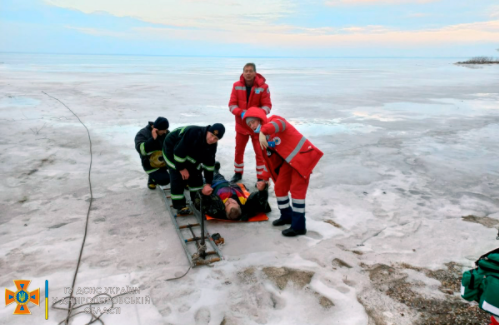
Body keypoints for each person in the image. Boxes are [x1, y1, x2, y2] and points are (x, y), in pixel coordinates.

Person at [243, 107, 323, 237]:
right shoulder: (263, 140)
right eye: (249, 124)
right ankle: (286, 216)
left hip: (302, 159)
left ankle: (299, 226)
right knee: (280, 187)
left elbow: (280, 124)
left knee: (297, 191)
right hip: (289, 162)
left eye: (253, 122)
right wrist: (263, 179)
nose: (252, 126)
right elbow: (267, 162)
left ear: (260, 119)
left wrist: (263, 131)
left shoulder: (274, 120)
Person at [162, 123, 225, 215]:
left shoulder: (212, 145)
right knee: (177, 175)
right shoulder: (193, 133)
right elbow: (179, 153)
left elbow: (209, 165)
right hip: (172, 148)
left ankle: (195, 199)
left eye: (216, 139)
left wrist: (208, 183)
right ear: (208, 131)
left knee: (196, 175)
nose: (212, 140)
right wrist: (182, 168)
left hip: (190, 153)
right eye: (211, 135)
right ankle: (180, 206)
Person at [228, 63, 272, 183]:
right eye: (246, 71)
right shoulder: (236, 86)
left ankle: (261, 176)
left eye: (250, 71)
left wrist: (256, 114)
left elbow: (267, 106)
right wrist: (241, 113)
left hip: (257, 127)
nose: (248, 73)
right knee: (239, 150)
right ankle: (238, 173)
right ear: (243, 72)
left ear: (255, 73)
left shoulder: (263, 87)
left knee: (260, 152)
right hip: (241, 125)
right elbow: (231, 105)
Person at [196, 162, 271, 221]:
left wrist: (202, 193)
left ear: (224, 209)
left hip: (216, 184)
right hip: (231, 185)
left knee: (200, 179)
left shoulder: (216, 209)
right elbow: (261, 203)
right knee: (216, 174)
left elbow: (199, 203)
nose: (230, 200)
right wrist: (263, 190)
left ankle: (206, 170)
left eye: (228, 204)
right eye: (234, 202)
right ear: (239, 206)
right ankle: (215, 169)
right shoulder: (246, 208)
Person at [134, 117, 170, 190]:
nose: (165, 132)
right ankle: (152, 179)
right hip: (150, 164)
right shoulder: (142, 134)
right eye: (163, 130)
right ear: (156, 129)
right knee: (165, 180)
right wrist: (153, 139)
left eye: (166, 130)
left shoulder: (165, 133)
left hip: (164, 161)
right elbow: (142, 151)